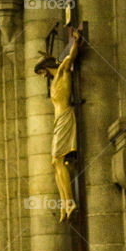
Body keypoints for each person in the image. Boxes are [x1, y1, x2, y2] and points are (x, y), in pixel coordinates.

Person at [34, 29, 82, 221]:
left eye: (40, 72)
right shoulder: (53, 82)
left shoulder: (62, 72)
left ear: (45, 68)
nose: (41, 76)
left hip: (65, 116)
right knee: (55, 162)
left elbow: (70, 58)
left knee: (58, 160)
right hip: (58, 120)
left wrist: (76, 43)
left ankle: (70, 202)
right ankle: (64, 204)